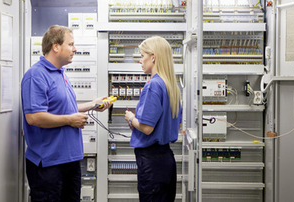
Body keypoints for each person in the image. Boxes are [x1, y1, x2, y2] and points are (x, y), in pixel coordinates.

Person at [21, 25, 112, 202]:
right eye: (71, 44)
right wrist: (70, 120)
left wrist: (92, 105)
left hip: (69, 161)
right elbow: (34, 117)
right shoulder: (36, 75)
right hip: (48, 164)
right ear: (56, 46)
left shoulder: (60, 74)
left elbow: (63, 108)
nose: (75, 49)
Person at [124, 36, 182, 202]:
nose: (140, 61)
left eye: (142, 56)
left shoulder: (153, 85)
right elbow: (173, 125)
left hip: (152, 162)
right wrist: (139, 124)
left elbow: (147, 128)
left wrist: (131, 118)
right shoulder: (172, 86)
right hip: (166, 159)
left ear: (153, 57)